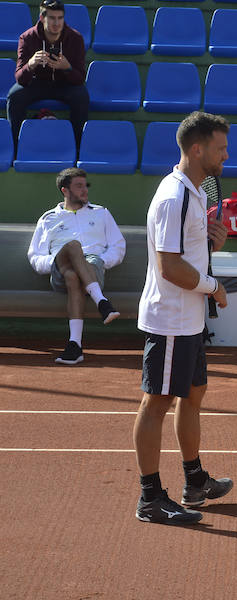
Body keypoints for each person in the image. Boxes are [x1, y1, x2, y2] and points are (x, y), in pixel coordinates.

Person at [132, 111, 231, 525]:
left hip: (189, 319)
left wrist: (210, 243)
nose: (226, 155)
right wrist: (213, 286)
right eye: (221, 148)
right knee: (157, 403)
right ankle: (151, 497)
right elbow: (169, 267)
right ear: (197, 148)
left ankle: (195, 481)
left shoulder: (195, 192)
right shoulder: (175, 197)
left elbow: (186, 254)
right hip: (171, 319)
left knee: (194, 396)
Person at [26, 167, 124, 365]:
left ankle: (75, 345)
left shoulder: (102, 213)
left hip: (93, 267)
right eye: (79, 186)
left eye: (85, 185)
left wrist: (102, 261)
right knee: (73, 247)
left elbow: (118, 246)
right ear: (65, 191)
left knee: (73, 276)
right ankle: (102, 303)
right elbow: (35, 256)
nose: (85, 190)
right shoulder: (48, 218)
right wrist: (54, 262)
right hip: (59, 269)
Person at [7, 0, 89, 149]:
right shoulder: (27, 38)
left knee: (81, 96)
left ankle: (77, 147)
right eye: (52, 18)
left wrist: (67, 68)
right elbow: (20, 78)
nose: (56, 23)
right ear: (42, 18)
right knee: (15, 95)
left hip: (65, 83)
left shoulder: (75, 38)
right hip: (36, 82)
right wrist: (31, 64)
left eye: (60, 18)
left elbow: (80, 78)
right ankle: (16, 147)